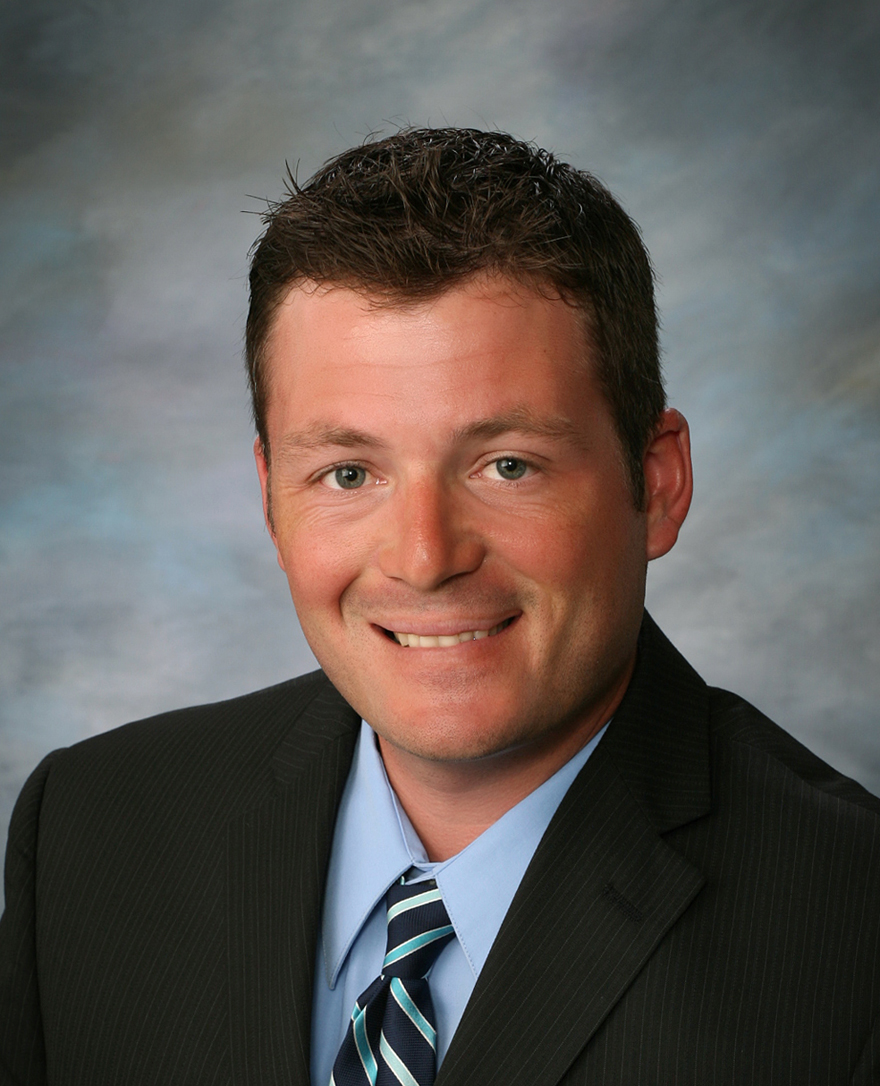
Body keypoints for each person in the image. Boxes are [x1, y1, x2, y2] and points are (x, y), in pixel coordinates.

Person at [1, 128, 878, 1086]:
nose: (425, 559)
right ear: (271, 499)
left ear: (657, 484)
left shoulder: (849, 932)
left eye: (508, 466)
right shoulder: (92, 832)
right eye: (349, 473)